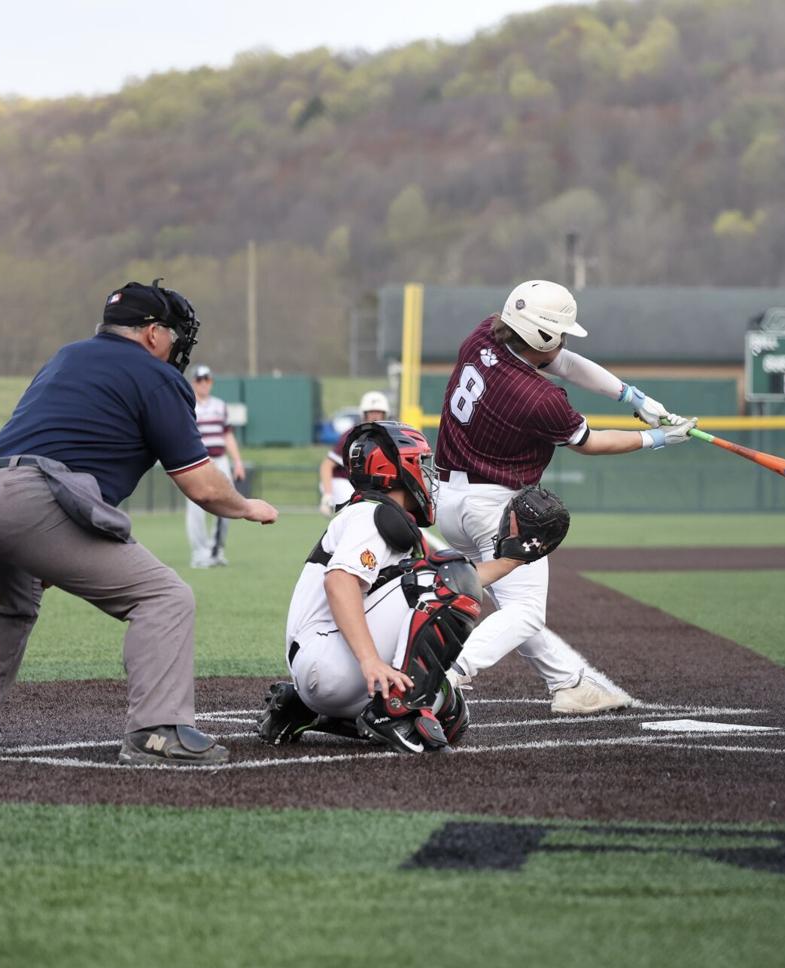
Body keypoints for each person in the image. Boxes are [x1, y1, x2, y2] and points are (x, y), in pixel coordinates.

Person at [0, 279, 279, 766]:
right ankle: (157, 731)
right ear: (152, 333)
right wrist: (248, 506)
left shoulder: (67, 356)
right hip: (25, 496)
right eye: (172, 334)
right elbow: (202, 485)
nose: (177, 345)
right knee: (164, 598)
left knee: (13, 598)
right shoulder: (156, 376)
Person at [435, 279, 696, 715]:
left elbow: (564, 362)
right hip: (497, 510)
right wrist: (655, 439)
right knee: (526, 612)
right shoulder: (539, 398)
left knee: (513, 605)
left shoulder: (484, 334)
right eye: (556, 332)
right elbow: (589, 442)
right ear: (539, 334)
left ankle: (568, 684)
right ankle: (444, 678)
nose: (561, 340)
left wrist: (631, 396)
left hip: (449, 500)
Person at [257, 421, 555, 753]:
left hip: (327, 666)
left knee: (451, 715)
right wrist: (370, 660)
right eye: (421, 463)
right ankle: (393, 710)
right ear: (397, 469)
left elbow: (461, 578)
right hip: (330, 657)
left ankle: (304, 710)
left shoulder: (381, 517)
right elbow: (339, 583)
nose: (428, 475)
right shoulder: (372, 515)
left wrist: (512, 560)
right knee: (448, 577)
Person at [185, 364, 246, 568]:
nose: (203, 384)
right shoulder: (188, 404)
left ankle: (216, 550)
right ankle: (199, 554)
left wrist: (237, 462)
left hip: (220, 460)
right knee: (196, 508)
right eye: (200, 380)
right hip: (197, 460)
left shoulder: (220, 405)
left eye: (207, 380)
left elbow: (227, 435)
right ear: (194, 382)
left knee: (226, 504)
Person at [319, 390, 391, 516]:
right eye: (371, 412)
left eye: (379, 412)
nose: (375, 416)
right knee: (361, 515)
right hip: (341, 481)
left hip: (365, 486)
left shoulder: (387, 436)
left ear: (385, 415)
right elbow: (327, 466)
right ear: (364, 414)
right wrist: (327, 495)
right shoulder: (352, 435)